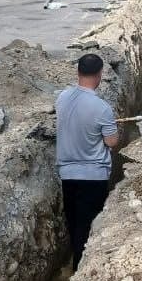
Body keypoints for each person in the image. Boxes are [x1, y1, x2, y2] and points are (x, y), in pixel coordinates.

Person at [55, 54, 120, 270]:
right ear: (100, 74)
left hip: (68, 176)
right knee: (89, 228)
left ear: (78, 72)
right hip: (93, 178)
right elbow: (111, 142)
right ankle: (81, 272)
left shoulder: (62, 98)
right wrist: (108, 128)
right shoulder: (102, 108)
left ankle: (76, 268)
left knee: (75, 227)